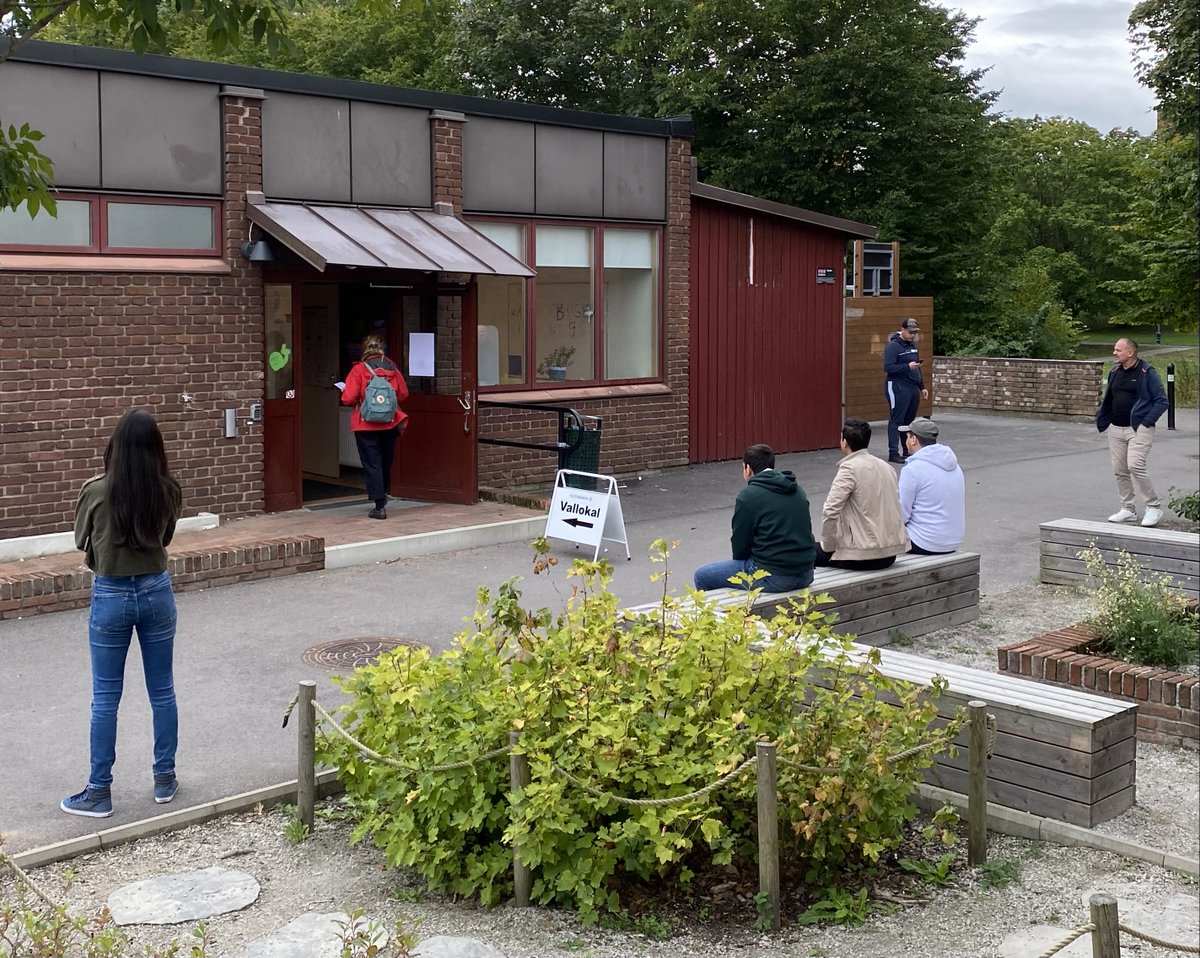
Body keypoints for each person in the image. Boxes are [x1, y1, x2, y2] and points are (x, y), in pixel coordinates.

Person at [62, 409, 183, 818]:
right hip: (156, 589)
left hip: (111, 593)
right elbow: (164, 537)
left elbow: (82, 539)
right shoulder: (168, 489)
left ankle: (100, 791)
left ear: (115, 444)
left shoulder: (96, 491)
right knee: (162, 691)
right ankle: (164, 779)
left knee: (105, 698)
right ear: (156, 448)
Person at [693, 443, 816, 592]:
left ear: (748, 469)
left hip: (774, 576)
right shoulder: (797, 489)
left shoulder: (749, 496)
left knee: (702, 575)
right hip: (806, 573)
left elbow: (740, 542)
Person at [816, 417, 909, 570]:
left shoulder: (849, 469)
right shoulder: (886, 467)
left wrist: (828, 545)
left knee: (803, 552)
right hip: (890, 553)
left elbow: (830, 510)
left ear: (844, 442)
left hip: (862, 555)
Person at [1096, 337, 1169, 527]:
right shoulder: (1114, 371)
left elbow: (1162, 400)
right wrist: (1106, 418)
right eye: (1114, 349)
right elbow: (1110, 398)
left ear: (1131, 353)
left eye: (1118, 350)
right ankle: (1128, 509)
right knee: (1119, 470)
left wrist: (1146, 422)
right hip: (1116, 428)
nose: (1114, 353)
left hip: (1138, 428)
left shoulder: (1147, 372)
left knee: (1135, 465)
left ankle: (1153, 507)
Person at [339, 332, 410, 519]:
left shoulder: (358, 370)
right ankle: (384, 493)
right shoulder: (392, 368)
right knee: (385, 461)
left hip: (365, 425)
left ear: (364, 349)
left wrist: (345, 390)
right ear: (382, 348)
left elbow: (348, 398)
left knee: (372, 463)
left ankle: (379, 506)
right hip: (390, 423)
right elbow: (403, 394)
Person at [898, 417, 965, 554]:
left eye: (907, 437)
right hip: (953, 540)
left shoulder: (912, 469)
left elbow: (901, 514)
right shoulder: (955, 466)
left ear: (913, 440)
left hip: (924, 541)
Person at [883, 317, 929, 463]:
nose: (912, 335)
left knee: (909, 421)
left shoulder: (913, 345)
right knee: (897, 419)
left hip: (912, 386)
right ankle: (893, 452)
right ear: (902, 330)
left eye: (914, 333)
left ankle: (907, 450)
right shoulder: (893, 346)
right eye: (910, 332)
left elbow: (917, 367)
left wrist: (922, 386)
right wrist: (906, 367)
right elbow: (888, 367)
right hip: (897, 386)